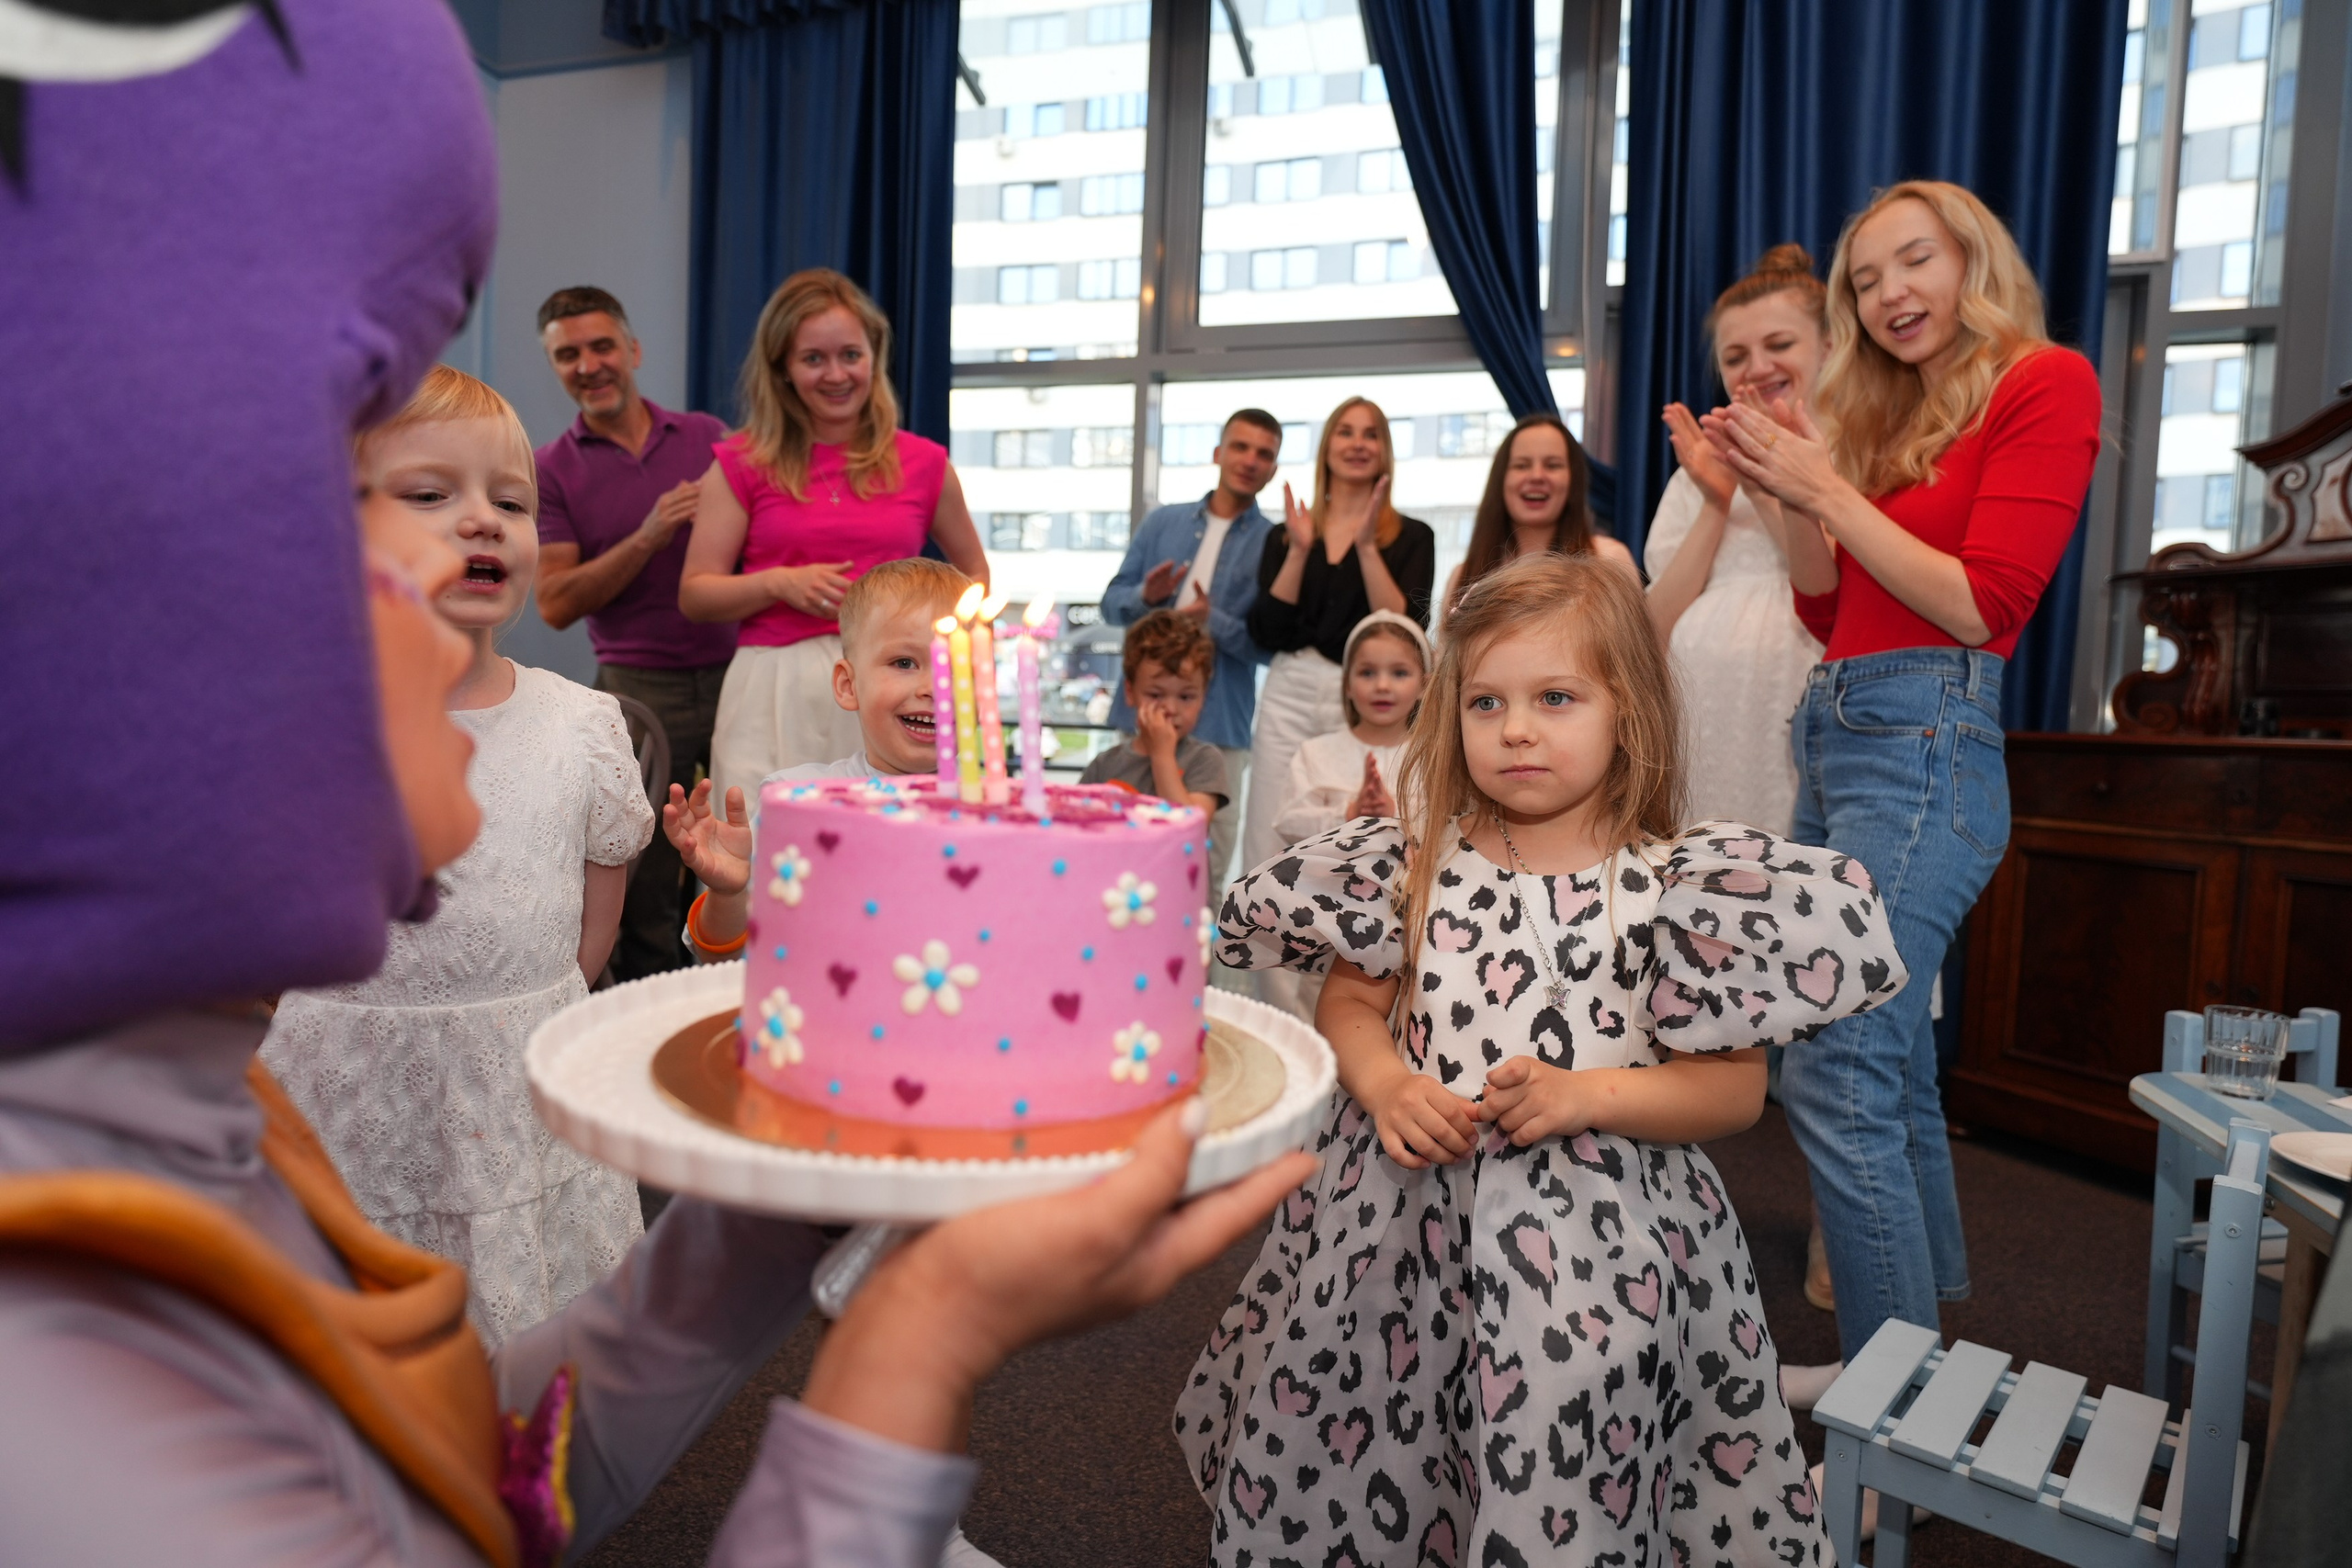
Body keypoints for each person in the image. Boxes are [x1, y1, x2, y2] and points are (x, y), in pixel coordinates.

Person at [0, 6, 1316, 1560]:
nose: (455, 565)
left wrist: (773, 1195)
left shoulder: (179, 1119)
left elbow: (482, 1475)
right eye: (349, 467)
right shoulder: (60, 1393)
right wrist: (916, 1349)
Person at [1178, 553, 1906, 1566]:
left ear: (1627, 711)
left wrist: (1582, 1094)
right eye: (1485, 701)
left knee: (1564, 1441)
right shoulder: (1413, 861)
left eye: (1555, 697)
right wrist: (1384, 1081)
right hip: (1404, 1225)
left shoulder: (1681, 892)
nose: (1516, 727)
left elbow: (1732, 1091)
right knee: (1398, 1425)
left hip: (1601, 1254)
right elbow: (1349, 1006)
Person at [1701, 180, 2101, 1402]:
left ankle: (1893, 1405)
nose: (1887, 296)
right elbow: (1829, 603)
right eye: (1863, 282)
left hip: (1928, 738)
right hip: (1840, 727)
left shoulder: (2047, 379)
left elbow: (1983, 602)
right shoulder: (1897, 413)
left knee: (1836, 1054)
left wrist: (1825, 488)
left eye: (1911, 262)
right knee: (1894, 1065)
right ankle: (1924, 1363)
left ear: (1971, 255)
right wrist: (1784, 486)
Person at [261, 366, 655, 1348]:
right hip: (340, 1089)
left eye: (509, 502)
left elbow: (590, 932)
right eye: (431, 496)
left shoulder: (585, 725)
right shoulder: (301, 726)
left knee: (523, 1351)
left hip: (518, 1097)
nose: (483, 521)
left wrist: (502, 1033)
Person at [682, 268, 989, 806]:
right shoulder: (739, 463)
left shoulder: (925, 462)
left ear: (874, 356)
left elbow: (977, 581)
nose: (836, 374)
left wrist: (937, 648)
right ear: (782, 370)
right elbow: (696, 593)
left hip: (889, 685)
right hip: (772, 688)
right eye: (813, 358)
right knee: (757, 852)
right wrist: (777, 584)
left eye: (850, 354)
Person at [532, 285, 736, 982]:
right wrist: (648, 536)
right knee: (640, 880)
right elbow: (555, 602)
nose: (587, 364)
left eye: (600, 346)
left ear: (632, 349)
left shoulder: (709, 438)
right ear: (555, 367)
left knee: (749, 847)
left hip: (740, 674)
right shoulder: (550, 468)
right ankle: (645, 1036)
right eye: (568, 355)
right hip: (635, 690)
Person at [665, 557, 978, 958]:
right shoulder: (795, 801)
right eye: (904, 662)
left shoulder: (1001, 814)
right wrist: (730, 892)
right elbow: (716, 957)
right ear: (848, 685)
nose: (932, 687)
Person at [1646, 246, 1829, 838]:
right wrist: (1717, 501)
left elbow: (1828, 588)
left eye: (1779, 345)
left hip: (1801, 700)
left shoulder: (1852, 453)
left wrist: (1763, 481)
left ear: (1829, 345)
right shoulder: (1696, 470)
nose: (1755, 367)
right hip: (1704, 715)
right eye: (1735, 355)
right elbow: (1653, 625)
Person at [1240, 397, 1434, 884]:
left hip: (1369, 688)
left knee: (1361, 819)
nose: (1357, 444)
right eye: (1346, 432)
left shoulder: (1412, 536)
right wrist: (1300, 550)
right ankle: (1264, 955)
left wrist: (1367, 547)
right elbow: (1267, 631)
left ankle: (1347, 953)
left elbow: (1405, 624)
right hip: (1291, 685)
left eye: (1370, 434)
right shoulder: (1287, 535)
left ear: (1385, 451)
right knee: (1268, 825)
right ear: (1327, 446)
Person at [1100, 408, 1282, 889]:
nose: (1250, 460)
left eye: (1264, 453)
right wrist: (1148, 599)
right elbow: (1110, 604)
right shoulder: (1162, 523)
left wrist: (1211, 622)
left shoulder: (1276, 543)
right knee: (1118, 860)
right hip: (1138, 718)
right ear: (1218, 453)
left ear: (1275, 468)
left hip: (1220, 724)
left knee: (1206, 876)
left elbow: (1271, 647)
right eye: (1240, 447)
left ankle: (1195, 968)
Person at [1257, 609, 1430, 1021]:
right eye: (1367, 672)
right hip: (1326, 928)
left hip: (1412, 929)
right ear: (1347, 685)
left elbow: (1453, 827)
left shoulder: (1433, 758)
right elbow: (1288, 823)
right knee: (1320, 1020)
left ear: (1425, 684)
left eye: (1399, 673)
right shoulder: (1315, 753)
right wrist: (1348, 815)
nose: (1382, 685)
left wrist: (1395, 819)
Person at [1441, 411, 1638, 615]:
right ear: (1501, 481)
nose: (1536, 476)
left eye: (1552, 465)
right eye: (1522, 465)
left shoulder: (1609, 559)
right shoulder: (1462, 575)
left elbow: (1637, 644)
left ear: (1573, 481)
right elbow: (1446, 648)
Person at [1078, 610, 1230, 829]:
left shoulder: (1204, 760)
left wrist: (1162, 755)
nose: (1170, 708)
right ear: (1130, 693)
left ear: (1203, 696)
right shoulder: (1104, 765)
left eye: (1186, 697)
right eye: (1155, 695)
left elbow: (1188, 829)